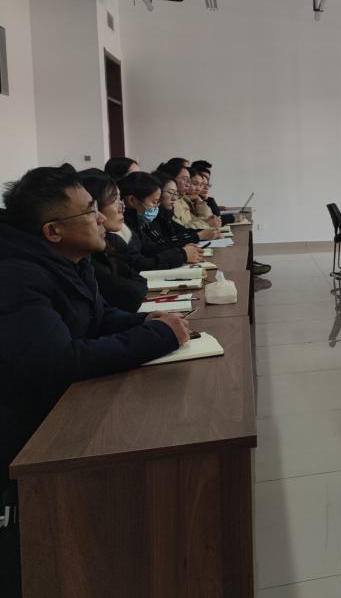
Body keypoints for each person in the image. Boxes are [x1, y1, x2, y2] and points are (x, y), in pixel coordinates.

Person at [0, 168, 188, 588]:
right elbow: (58, 361)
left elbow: (97, 317)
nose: (102, 217)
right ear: (53, 231)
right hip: (32, 435)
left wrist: (147, 321)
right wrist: (158, 337)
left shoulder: (66, 259)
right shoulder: (17, 275)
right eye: (90, 211)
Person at [77, 170, 148, 312]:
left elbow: (139, 281)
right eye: (114, 200)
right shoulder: (85, 252)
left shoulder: (112, 240)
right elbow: (131, 296)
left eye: (119, 199)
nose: (122, 207)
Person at [119, 172, 203, 270]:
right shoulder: (122, 227)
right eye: (154, 202)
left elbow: (151, 247)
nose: (156, 207)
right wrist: (182, 255)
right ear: (132, 200)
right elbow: (140, 264)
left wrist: (181, 251)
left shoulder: (135, 221)